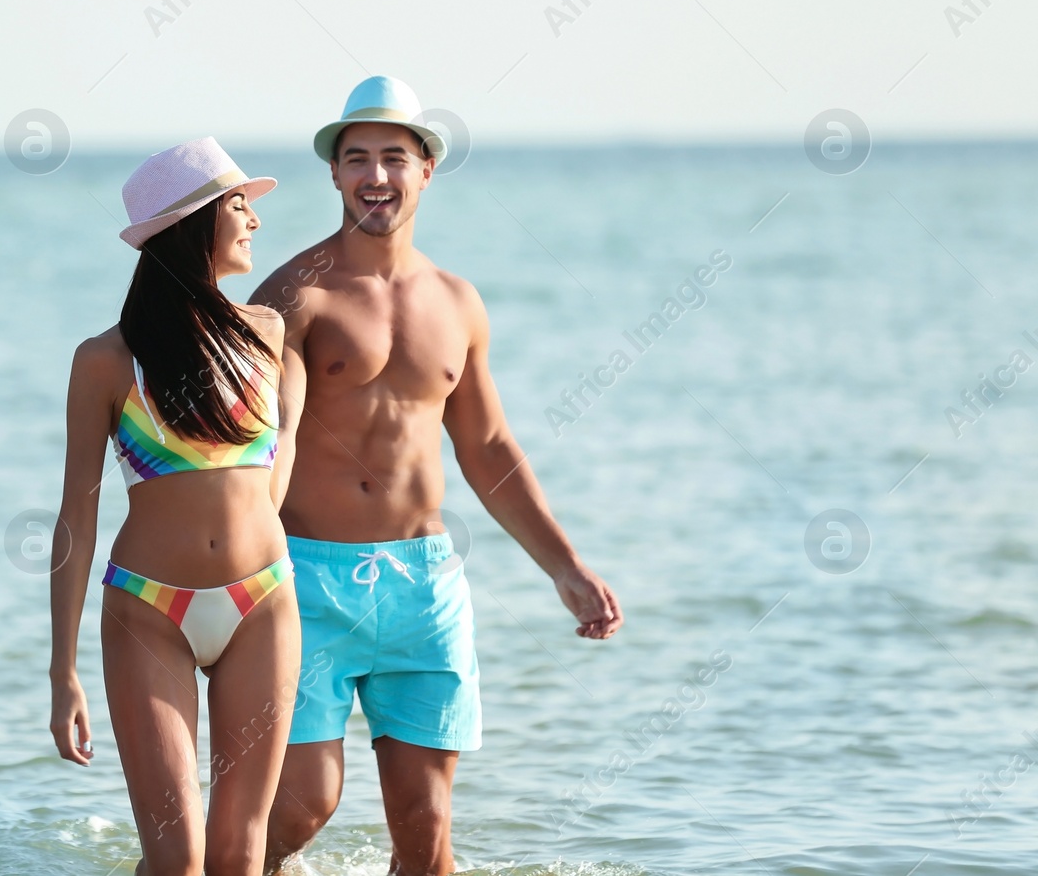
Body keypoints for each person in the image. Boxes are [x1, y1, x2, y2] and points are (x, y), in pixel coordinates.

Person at [252, 77, 624, 876]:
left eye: (393, 157)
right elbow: (265, 443)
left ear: (425, 169)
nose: (375, 176)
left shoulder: (458, 302)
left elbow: (487, 446)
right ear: (334, 174)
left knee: (425, 832)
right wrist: (232, 571)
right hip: (307, 581)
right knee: (300, 806)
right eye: (357, 160)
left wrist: (566, 567)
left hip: (423, 587)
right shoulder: (295, 295)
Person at [49, 137, 303, 876]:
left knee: (238, 854)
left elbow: (272, 473)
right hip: (147, 611)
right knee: (178, 859)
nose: (254, 219)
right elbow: (75, 519)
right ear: (193, 223)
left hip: (264, 604)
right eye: (238, 204)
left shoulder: (267, 335)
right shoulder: (105, 359)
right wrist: (62, 669)